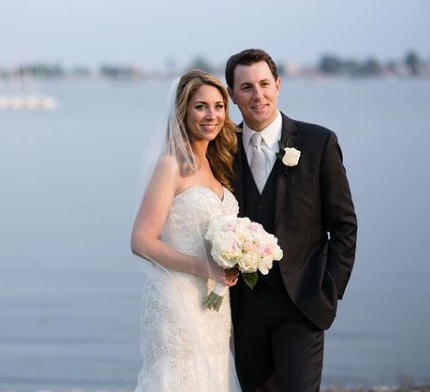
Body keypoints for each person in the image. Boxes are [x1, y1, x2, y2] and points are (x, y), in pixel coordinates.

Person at [224, 48, 358, 392]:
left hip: (302, 304)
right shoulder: (223, 149)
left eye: (265, 83)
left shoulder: (318, 143)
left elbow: (343, 225)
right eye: (247, 87)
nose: (258, 95)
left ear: (279, 85)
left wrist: (329, 290)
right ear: (232, 95)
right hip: (244, 311)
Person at [130, 70, 241, 391]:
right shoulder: (170, 165)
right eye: (201, 106)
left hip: (214, 305)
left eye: (219, 106)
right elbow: (141, 241)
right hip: (176, 300)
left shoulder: (217, 166)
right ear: (183, 110)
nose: (212, 115)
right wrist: (204, 267)